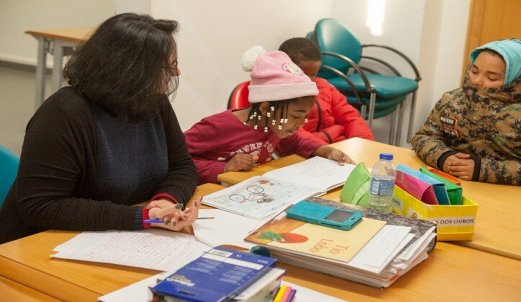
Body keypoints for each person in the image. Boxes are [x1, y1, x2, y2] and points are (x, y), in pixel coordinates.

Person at [0, 13, 200, 244]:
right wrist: (142, 217)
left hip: (114, 237)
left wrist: (167, 200)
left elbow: (182, 166)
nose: (177, 73)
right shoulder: (63, 114)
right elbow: (41, 205)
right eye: (169, 66)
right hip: (39, 245)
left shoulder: (153, 101)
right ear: (132, 70)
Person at [185, 46, 355, 184]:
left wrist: (325, 151)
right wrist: (224, 167)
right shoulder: (217, 127)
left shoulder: (273, 125)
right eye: (296, 115)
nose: (302, 122)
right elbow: (174, 160)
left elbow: (297, 141)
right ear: (266, 108)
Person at [412, 38, 521, 186]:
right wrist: (444, 157)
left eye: (492, 77)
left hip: (506, 196)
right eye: (474, 71)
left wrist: (481, 169)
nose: (477, 80)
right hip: (452, 185)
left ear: (515, 80)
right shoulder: (452, 99)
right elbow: (423, 137)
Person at [278, 37, 374, 143]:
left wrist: (363, 143)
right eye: (303, 74)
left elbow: (349, 116)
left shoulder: (324, 86)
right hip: (306, 151)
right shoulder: (279, 95)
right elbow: (291, 136)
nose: (309, 80)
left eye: (314, 74)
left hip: (336, 148)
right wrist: (333, 132)